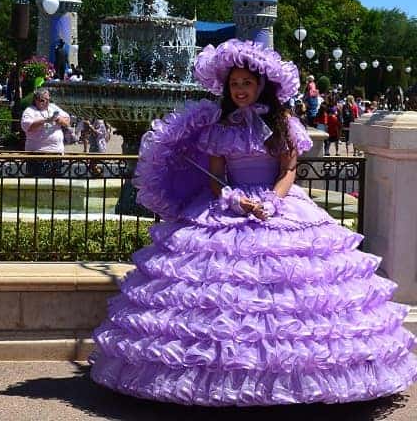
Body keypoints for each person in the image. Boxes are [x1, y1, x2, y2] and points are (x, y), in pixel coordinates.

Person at [90, 39, 417, 406]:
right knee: (217, 296)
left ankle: (293, 382)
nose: (240, 90)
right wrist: (233, 198)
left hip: (279, 203)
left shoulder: (283, 123)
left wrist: (272, 202)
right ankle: (219, 381)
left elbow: (289, 168)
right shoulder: (220, 126)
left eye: (245, 83)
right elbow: (216, 177)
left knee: (290, 293)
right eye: (234, 84)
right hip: (229, 204)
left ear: (260, 85)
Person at [21, 87, 71, 176]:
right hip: (37, 155)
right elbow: (27, 127)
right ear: (36, 100)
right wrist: (45, 120)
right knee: (38, 183)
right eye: (43, 100)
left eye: (48, 100)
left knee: (55, 183)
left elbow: (67, 121)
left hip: (56, 154)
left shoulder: (53, 107)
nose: (47, 102)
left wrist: (58, 119)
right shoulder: (30, 111)